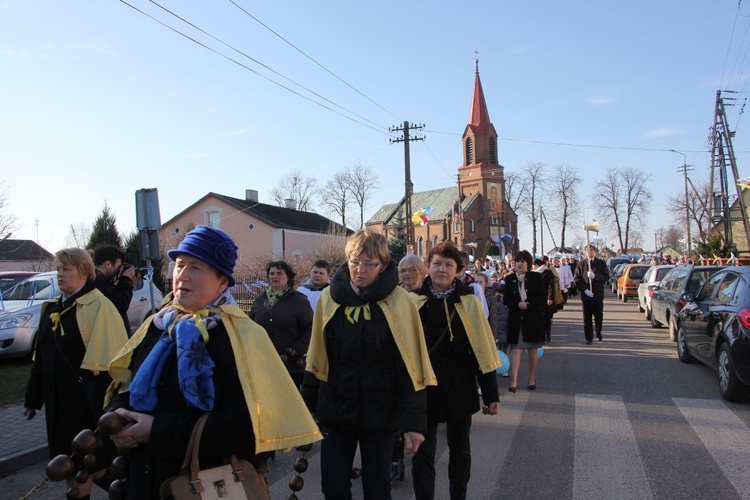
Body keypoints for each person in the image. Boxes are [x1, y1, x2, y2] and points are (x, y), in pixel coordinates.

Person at [105, 226, 321, 499]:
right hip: (144, 479)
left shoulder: (242, 337)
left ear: (222, 283)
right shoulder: (158, 325)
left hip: (206, 484)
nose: (182, 275)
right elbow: (127, 385)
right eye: (179, 265)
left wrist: (156, 430)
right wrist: (119, 416)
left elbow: (245, 426)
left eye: (196, 267)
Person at [302, 229, 435, 499]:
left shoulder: (400, 303)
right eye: (354, 262)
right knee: (333, 488)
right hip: (336, 411)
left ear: (383, 265)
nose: (360, 270)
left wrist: (413, 423)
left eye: (369, 263)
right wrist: (307, 409)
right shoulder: (329, 299)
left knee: (377, 489)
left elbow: (409, 366)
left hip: (381, 414)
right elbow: (317, 356)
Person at [24, 248, 129, 498]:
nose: (59, 274)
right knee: (89, 467)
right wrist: (32, 399)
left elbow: (113, 364)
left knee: (81, 466)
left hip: (86, 404)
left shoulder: (100, 306)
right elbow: (43, 359)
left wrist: (112, 409)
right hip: (58, 405)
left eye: (66, 269)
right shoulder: (52, 309)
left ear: (84, 272)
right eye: (58, 269)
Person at [411, 241, 501, 500]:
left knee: (460, 450)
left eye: (448, 265)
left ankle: (458, 495)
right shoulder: (413, 301)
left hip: (460, 387)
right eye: (437, 263)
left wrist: (491, 394)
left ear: (458, 270)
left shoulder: (469, 303)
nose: (442, 269)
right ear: (428, 267)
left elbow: (481, 351)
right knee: (423, 453)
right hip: (423, 389)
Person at [391, 254, 428, 481]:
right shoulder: (393, 297)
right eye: (403, 270)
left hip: (422, 362)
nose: (406, 273)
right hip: (398, 363)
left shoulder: (428, 298)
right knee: (395, 416)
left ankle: (422, 460)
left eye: (411, 269)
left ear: (422, 272)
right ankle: (396, 460)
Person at [250, 260, 313, 388]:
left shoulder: (299, 300)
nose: (275, 276)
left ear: (288, 277)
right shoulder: (260, 301)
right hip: (263, 363)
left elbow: (310, 328)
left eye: (279, 273)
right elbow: (251, 327)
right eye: (272, 273)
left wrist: (296, 349)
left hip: (290, 365)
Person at [503, 251, 546, 393]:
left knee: (533, 349)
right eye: (517, 261)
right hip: (517, 319)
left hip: (533, 319)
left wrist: (529, 305)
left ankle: (531, 378)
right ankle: (513, 381)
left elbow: (542, 297)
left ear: (528, 264)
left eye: (522, 261)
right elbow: (506, 299)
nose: (519, 264)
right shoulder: (510, 279)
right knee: (516, 349)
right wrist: (517, 304)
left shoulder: (536, 277)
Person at [92, 244, 135, 333]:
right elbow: (121, 305)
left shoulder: (98, 280)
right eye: (119, 266)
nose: (119, 270)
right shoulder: (98, 282)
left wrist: (128, 285)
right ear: (108, 264)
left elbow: (115, 295)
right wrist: (125, 280)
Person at [573, 244, 609, 344]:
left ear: (595, 252)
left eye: (591, 250)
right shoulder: (581, 264)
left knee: (598, 315)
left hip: (597, 294)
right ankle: (589, 337)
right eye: (587, 250)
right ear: (585, 252)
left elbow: (606, 277)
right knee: (587, 317)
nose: (589, 252)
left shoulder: (601, 263)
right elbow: (576, 279)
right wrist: (585, 290)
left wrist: (595, 276)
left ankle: (598, 332)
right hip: (586, 295)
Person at [533, 258, 557, 343]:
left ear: (537, 265)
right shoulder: (534, 273)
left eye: (534, 265)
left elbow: (551, 286)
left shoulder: (547, 272)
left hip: (546, 299)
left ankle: (548, 334)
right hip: (538, 299)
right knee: (539, 319)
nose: (533, 267)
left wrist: (550, 297)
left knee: (547, 319)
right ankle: (541, 336)